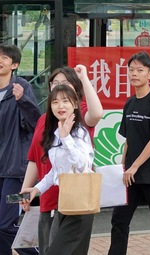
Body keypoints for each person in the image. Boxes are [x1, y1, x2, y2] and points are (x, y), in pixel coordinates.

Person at [20, 65, 103, 255]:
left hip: (78, 204)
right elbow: (54, 171)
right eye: (55, 102)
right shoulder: (53, 129)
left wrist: (67, 138)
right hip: (57, 204)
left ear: (75, 102)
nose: (60, 105)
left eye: (65, 100)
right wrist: (34, 189)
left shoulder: (79, 128)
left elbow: (82, 165)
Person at [108, 51, 150, 255]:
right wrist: (123, 165)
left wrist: (135, 166)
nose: (134, 74)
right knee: (119, 220)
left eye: (140, 70)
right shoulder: (130, 103)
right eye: (131, 70)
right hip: (131, 177)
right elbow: (129, 139)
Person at [0, 43, 41, 255]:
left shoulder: (21, 87)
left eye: (5, 57)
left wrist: (22, 100)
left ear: (14, 64)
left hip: (14, 170)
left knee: (7, 224)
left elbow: (36, 125)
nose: (0, 60)